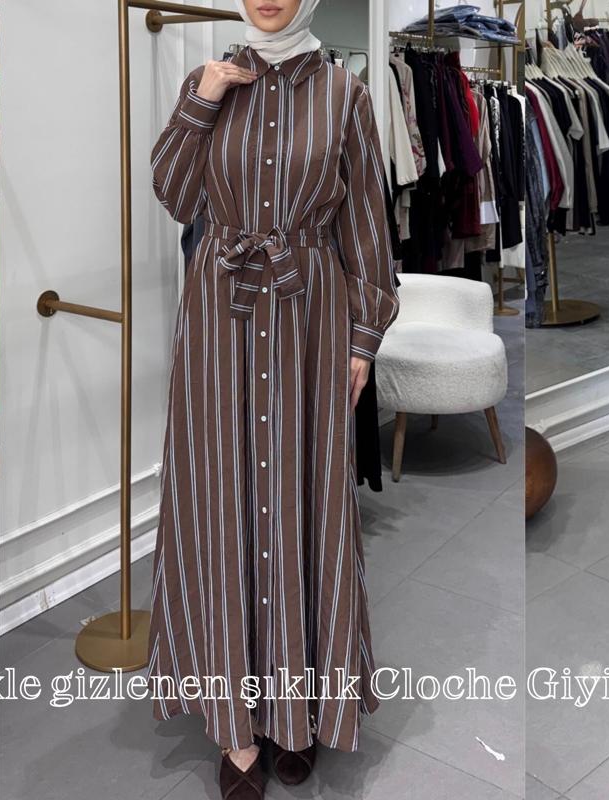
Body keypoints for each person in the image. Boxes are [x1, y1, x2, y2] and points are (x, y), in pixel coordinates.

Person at [145, 1, 399, 797]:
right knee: (222, 502)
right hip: (219, 319)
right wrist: (203, 99)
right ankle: (235, 725)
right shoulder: (210, 81)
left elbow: (367, 222)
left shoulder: (346, 94)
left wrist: (363, 337)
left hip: (309, 315)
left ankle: (297, 709)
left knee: (304, 503)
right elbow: (174, 193)